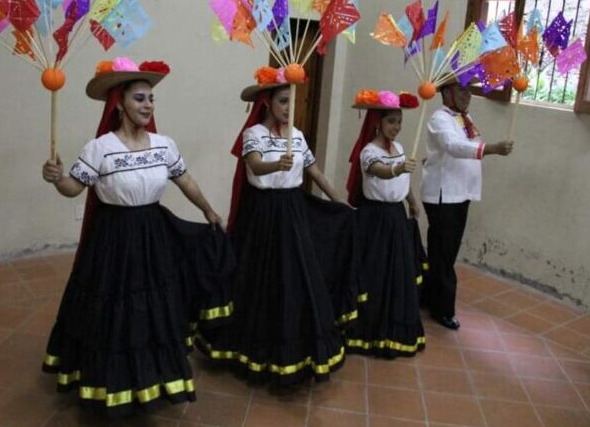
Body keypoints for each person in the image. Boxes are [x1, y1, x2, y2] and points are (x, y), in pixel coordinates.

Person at [40, 57, 234, 417]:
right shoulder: (100, 148)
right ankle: (110, 380)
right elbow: (72, 188)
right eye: (140, 98)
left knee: (153, 304)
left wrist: (208, 209)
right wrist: (56, 177)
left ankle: (151, 376)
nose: (148, 105)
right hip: (113, 239)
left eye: (151, 99)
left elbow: (185, 180)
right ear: (120, 104)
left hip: (153, 234)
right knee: (113, 305)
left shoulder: (163, 144)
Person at [195, 66, 358, 384]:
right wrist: (274, 163)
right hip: (264, 214)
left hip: (293, 210)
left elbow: (315, 173)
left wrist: (339, 202)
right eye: (283, 101)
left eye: (292, 102)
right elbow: (254, 165)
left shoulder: (297, 137)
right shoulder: (252, 135)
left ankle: (298, 346)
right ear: (267, 103)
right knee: (260, 276)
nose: (289, 108)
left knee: (297, 274)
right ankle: (252, 348)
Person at [421, 80, 513, 330]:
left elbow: (458, 147)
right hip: (444, 195)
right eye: (461, 90)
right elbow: (453, 146)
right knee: (444, 253)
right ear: (446, 92)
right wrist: (491, 148)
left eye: (469, 90)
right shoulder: (440, 118)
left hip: (460, 194)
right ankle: (443, 309)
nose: (467, 95)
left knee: (443, 251)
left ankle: (427, 297)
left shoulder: (463, 118)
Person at [345, 90, 426, 358]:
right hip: (375, 219)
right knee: (376, 272)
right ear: (377, 122)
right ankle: (370, 331)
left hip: (396, 216)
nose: (397, 127)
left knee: (399, 273)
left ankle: (395, 330)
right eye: (391, 121)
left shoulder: (401, 148)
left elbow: (404, 183)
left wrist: (412, 201)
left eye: (399, 121)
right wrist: (397, 169)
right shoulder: (369, 151)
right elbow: (376, 170)